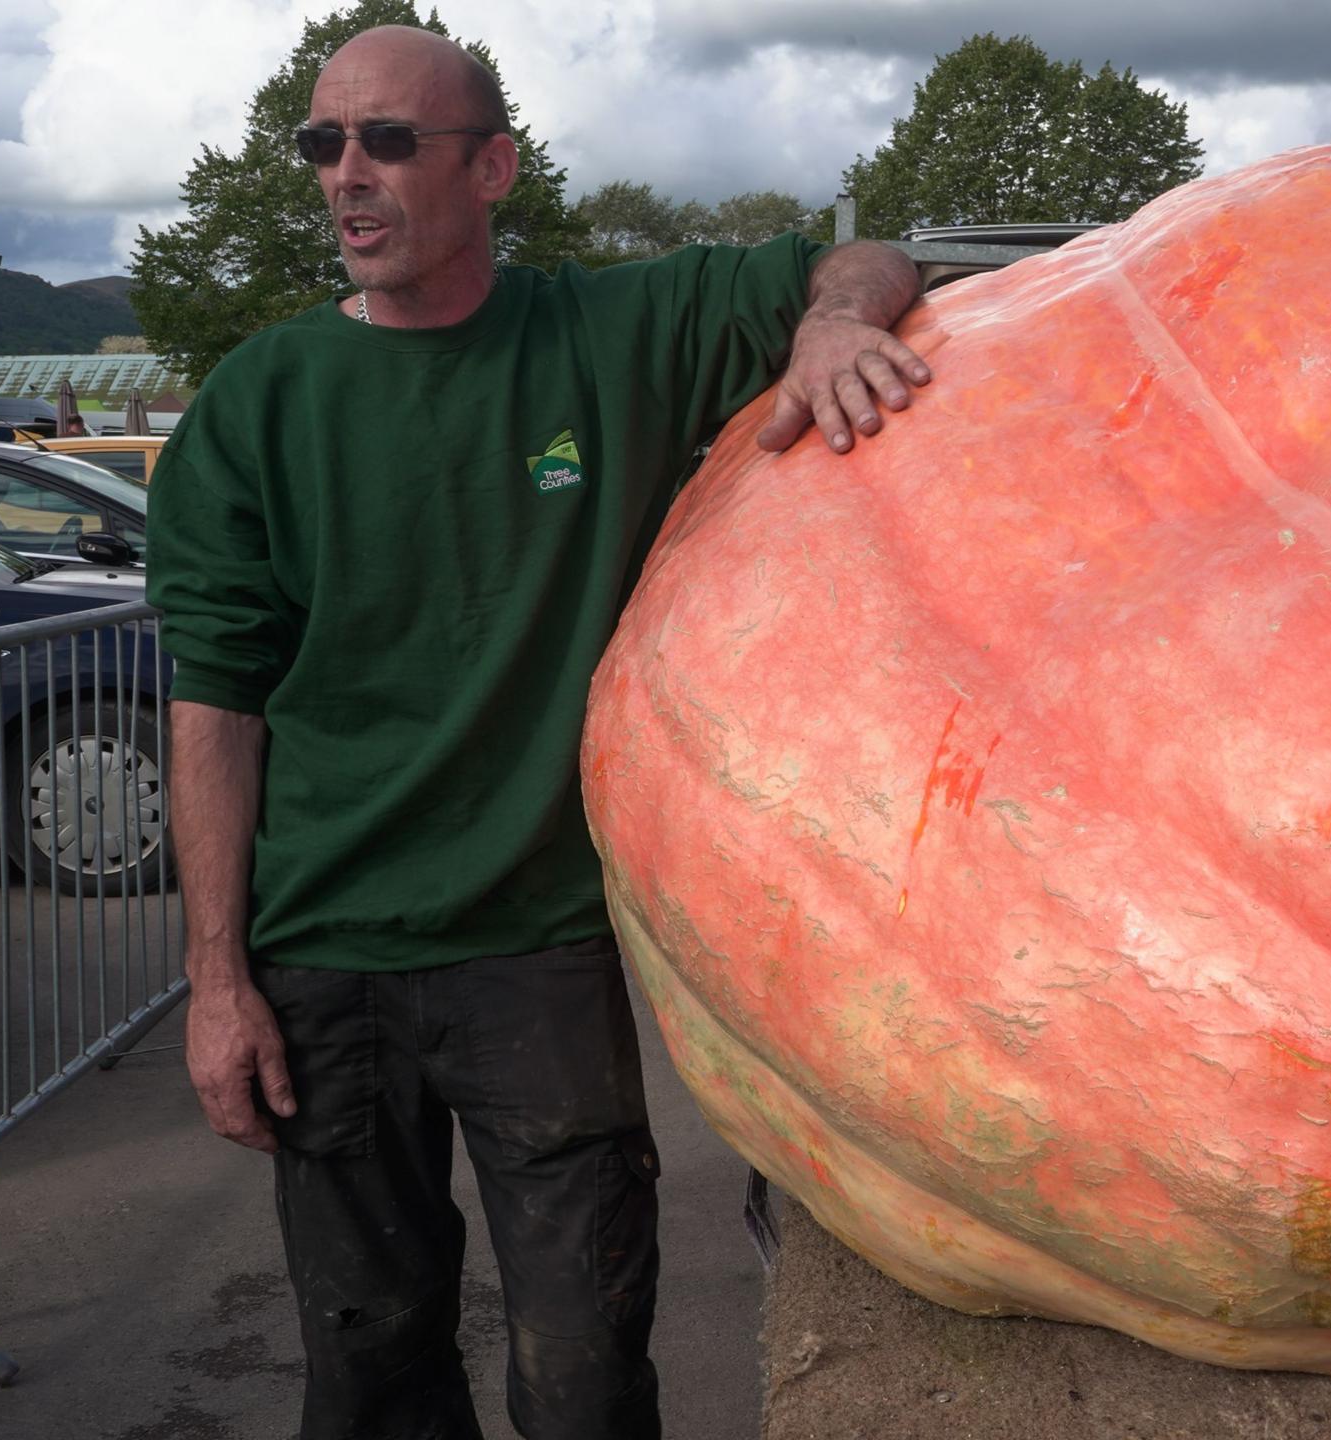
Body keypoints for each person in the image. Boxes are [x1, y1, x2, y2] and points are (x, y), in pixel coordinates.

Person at [146, 23, 927, 1440]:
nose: (348, 176)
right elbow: (215, 709)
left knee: (585, 1370)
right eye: (324, 145)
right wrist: (216, 984)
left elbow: (860, 260)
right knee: (373, 1370)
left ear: (492, 165)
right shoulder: (257, 405)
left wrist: (829, 323)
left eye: (389, 140)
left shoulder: (610, 336)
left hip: (538, 952)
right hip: (325, 955)